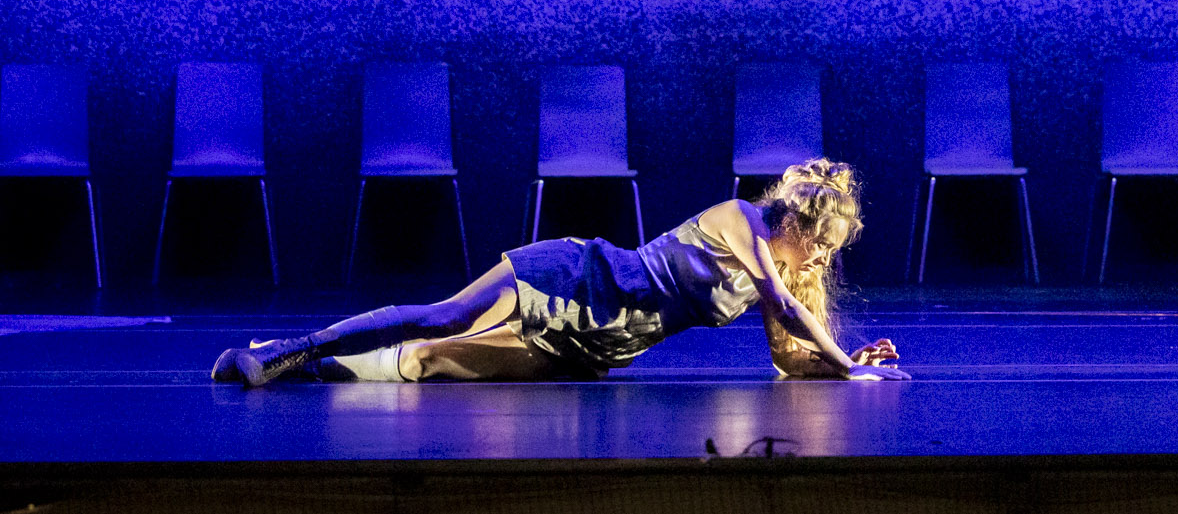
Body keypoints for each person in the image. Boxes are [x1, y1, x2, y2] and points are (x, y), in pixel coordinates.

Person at [210, 159, 906, 386]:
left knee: (436, 360)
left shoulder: (784, 276)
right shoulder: (740, 221)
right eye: (822, 244)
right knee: (446, 316)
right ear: (795, 223)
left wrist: (839, 362)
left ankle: (308, 372)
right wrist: (847, 364)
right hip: (578, 276)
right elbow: (784, 305)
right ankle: (284, 350)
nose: (824, 259)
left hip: (602, 345)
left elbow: (787, 356)